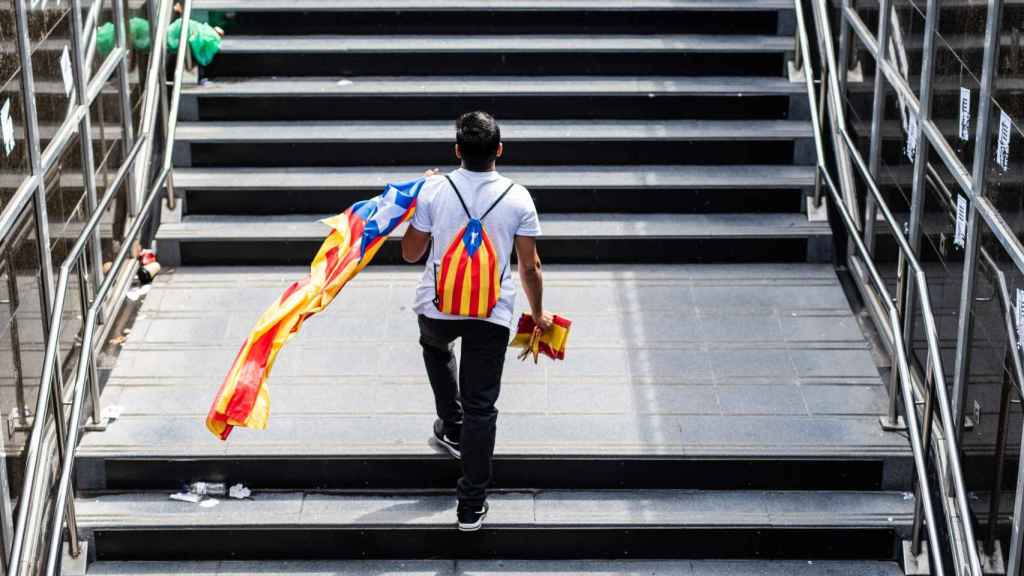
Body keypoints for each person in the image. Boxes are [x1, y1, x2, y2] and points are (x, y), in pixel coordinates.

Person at [401, 111, 552, 531]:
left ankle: (451, 424)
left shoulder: (435, 189)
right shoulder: (519, 197)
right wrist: (538, 314)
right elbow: (530, 266)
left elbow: (411, 254)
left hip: (438, 306)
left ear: (456, 152)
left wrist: (419, 200)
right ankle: (470, 505)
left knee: (434, 346)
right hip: (492, 311)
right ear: (499, 151)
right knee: (481, 405)